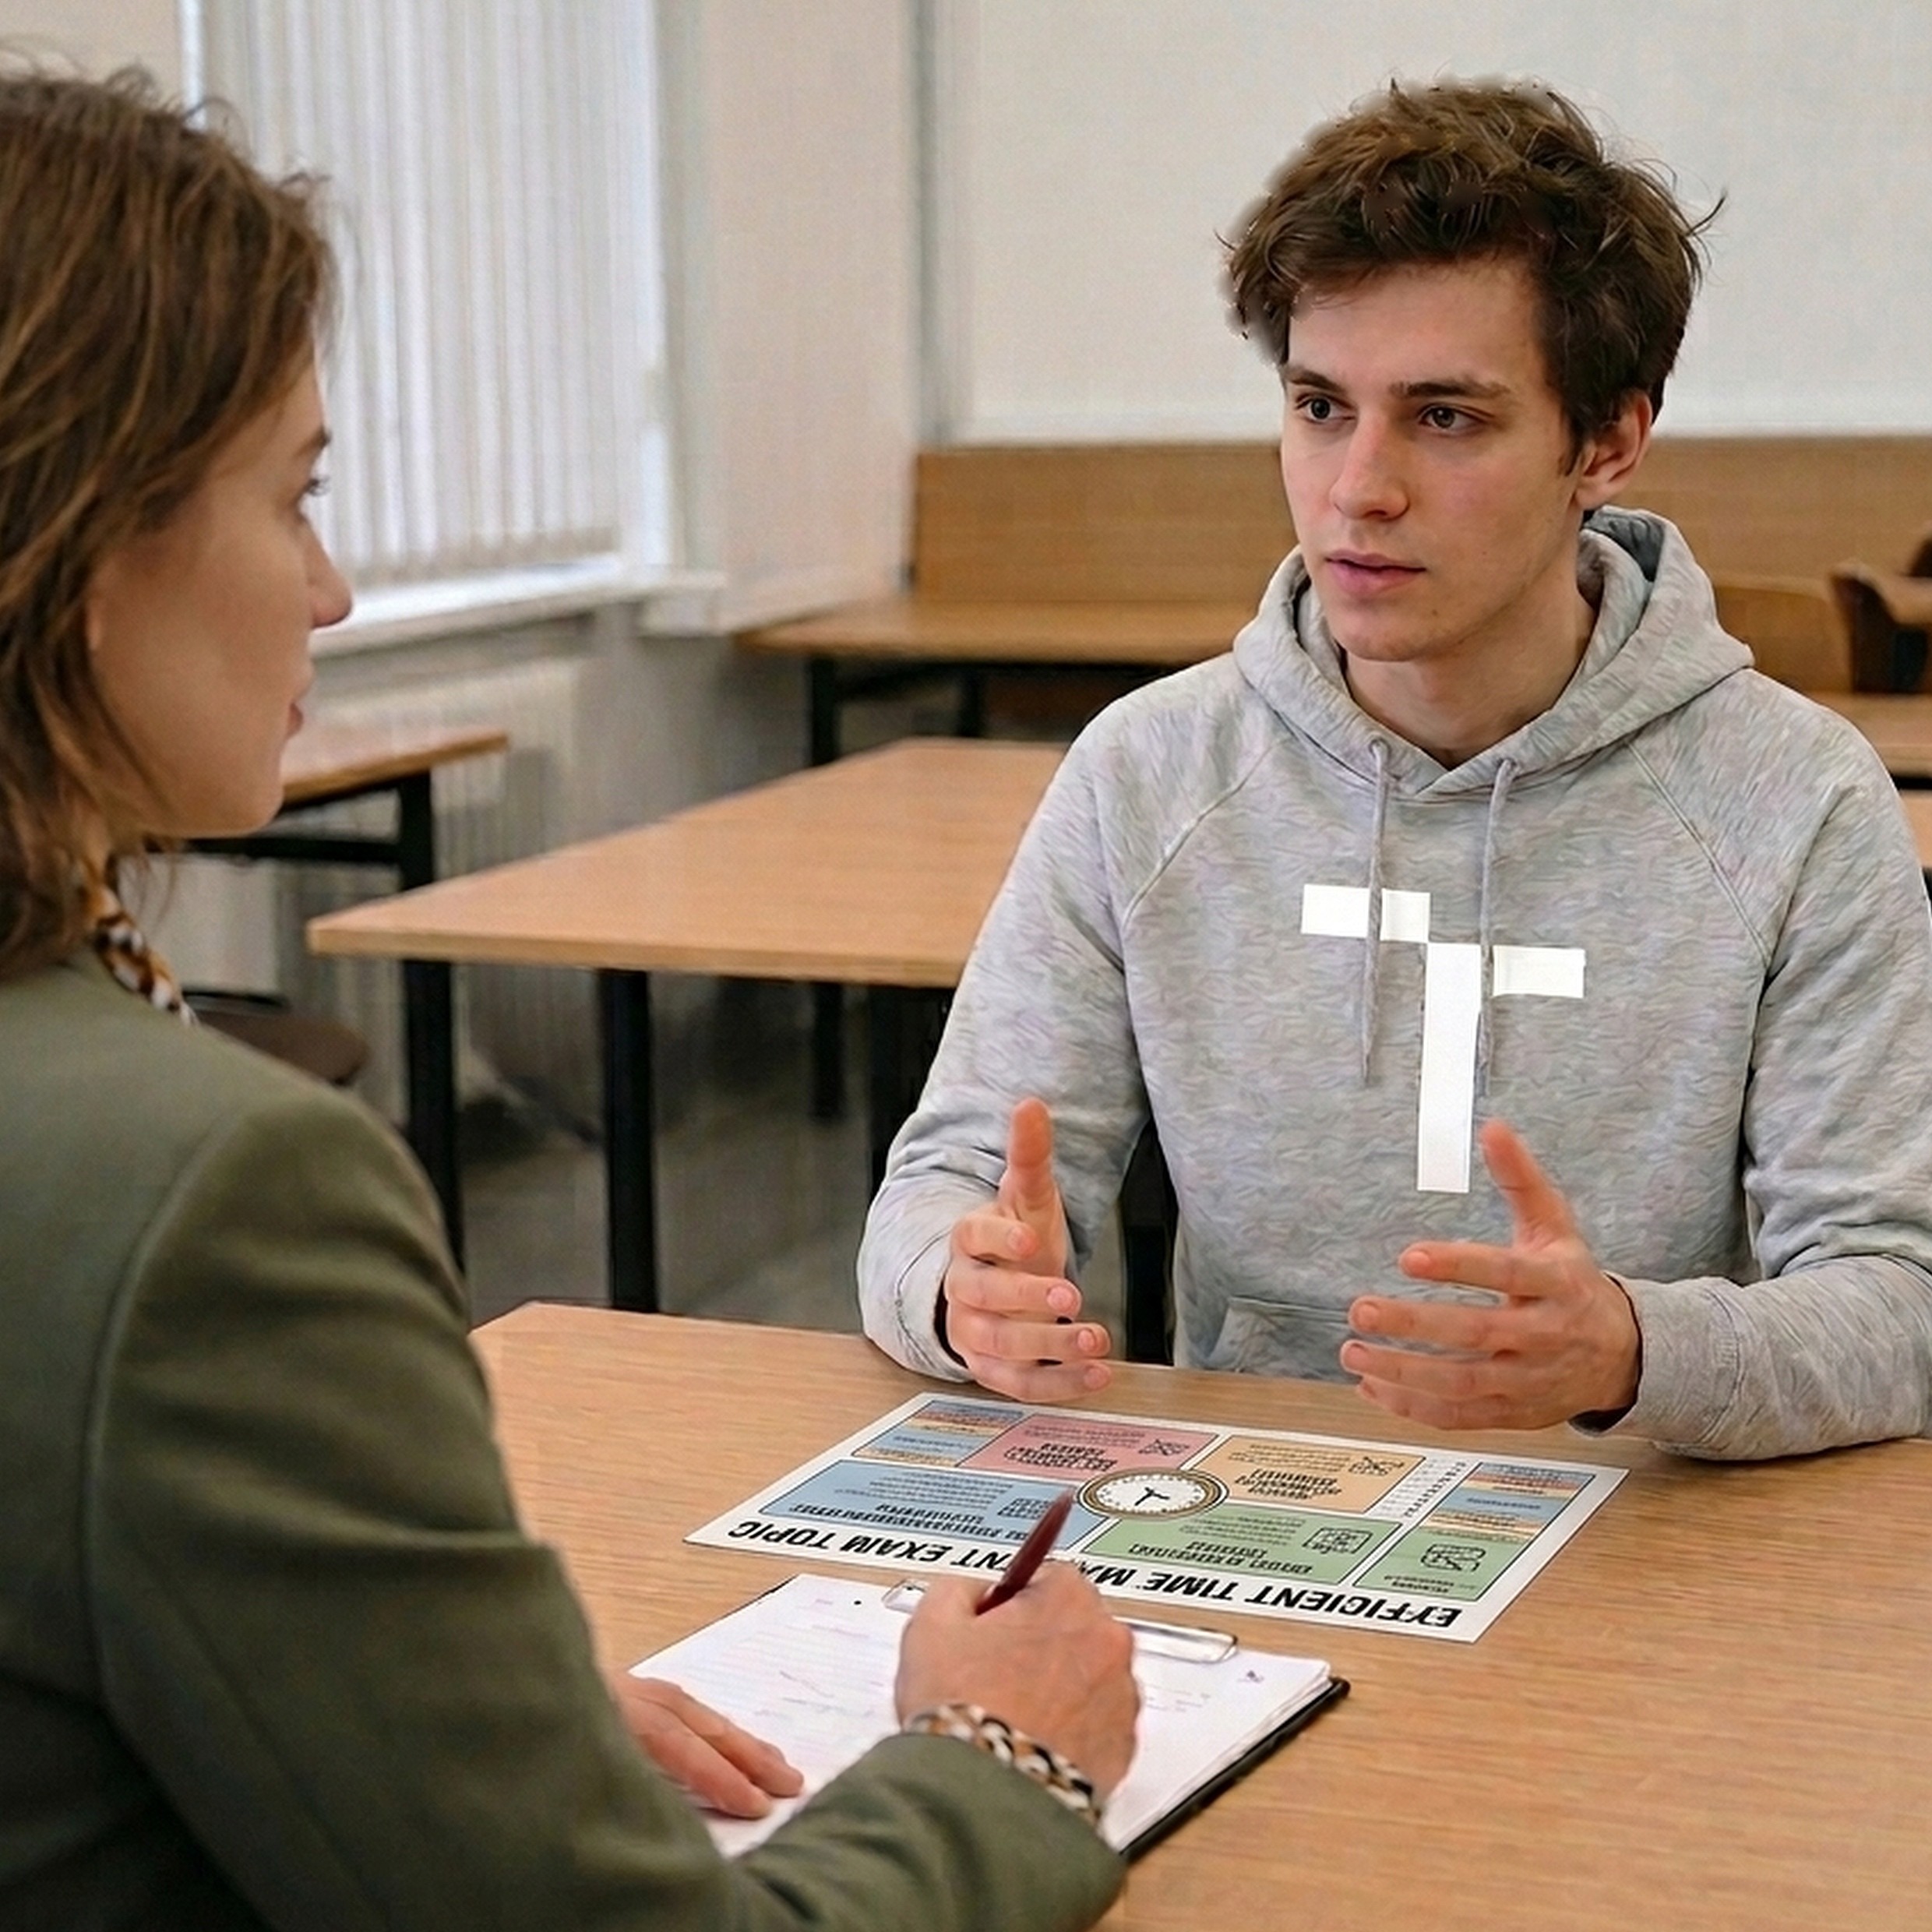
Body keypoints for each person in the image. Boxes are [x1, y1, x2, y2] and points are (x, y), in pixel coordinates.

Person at [0, 67, 1137, 1930]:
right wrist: (997, 1757)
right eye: (295, 498)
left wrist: (408, 1726)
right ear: (81, 539)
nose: (332, 590)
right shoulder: (214, 1193)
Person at [859, 77, 1932, 1462]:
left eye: (1444, 417)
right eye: (1320, 405)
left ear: (1607, 441)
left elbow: (1899, 1300)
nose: (1358, 487)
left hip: (1641, 1515)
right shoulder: (1149, 771)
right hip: (1249, 1507)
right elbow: (943, 1179)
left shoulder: (1800, 801)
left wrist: (1630, 1349)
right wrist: (956, 1290)